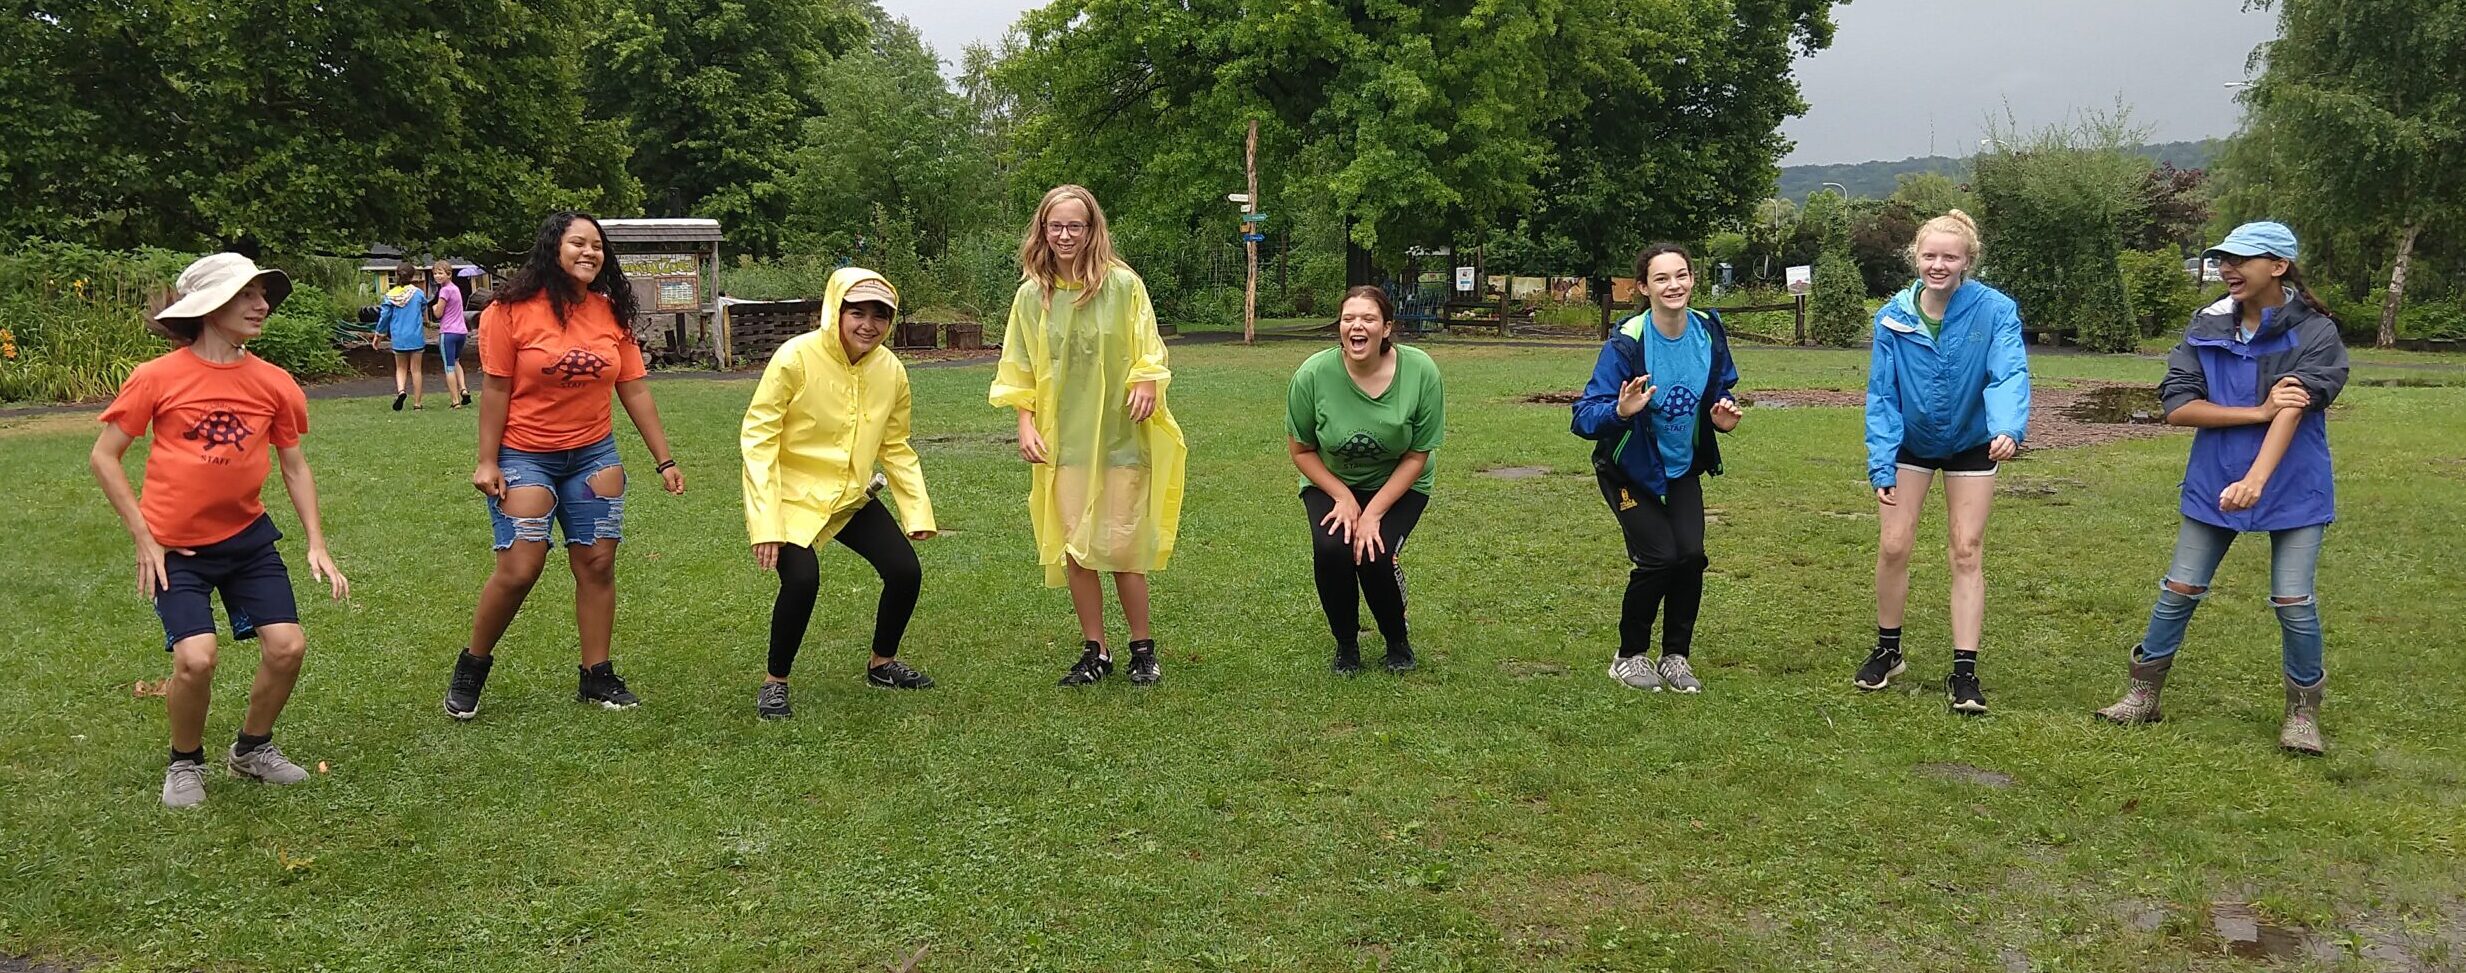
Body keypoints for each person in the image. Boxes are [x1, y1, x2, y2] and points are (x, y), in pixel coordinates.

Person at [88, 253, 350, 808]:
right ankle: (185, 762)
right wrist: (143, 535)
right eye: (246, 296)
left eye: (262, 296)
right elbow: (105, 457)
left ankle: (252, 749)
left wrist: (317, 543)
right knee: (196, 657)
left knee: (288, 648)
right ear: (208, 307)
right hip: (174, 549)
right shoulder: (157, 377)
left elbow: (294, 464)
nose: (261, 306)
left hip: (247, 541)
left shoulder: (274, 383)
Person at [2095, 222, 2347, 755]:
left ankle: (2303, 713)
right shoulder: (2205, 324)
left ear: (2278, 266)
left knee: (2293, 599)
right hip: (2213, 481)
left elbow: (2294, 408)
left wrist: (2256, 479)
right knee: (2178, 589)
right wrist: (2256, 410)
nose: (2228, 268)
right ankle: (2143, 694)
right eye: (2222, 258)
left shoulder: (2316, 332)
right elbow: (2179, 406)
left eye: (2242, 259)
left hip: (2293, 486)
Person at [442, 212, 686, 720]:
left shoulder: (610, 311)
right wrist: (487, 461)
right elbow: (496, 389)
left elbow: (634, 387)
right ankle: (473, 664)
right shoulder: (509, 313)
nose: (590, 253)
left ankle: (596, 676)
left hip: (593, 454)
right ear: (554, 248)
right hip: (525, 454)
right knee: (520, 567)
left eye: (598, 246)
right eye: (578, 243)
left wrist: (664, 460)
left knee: (597, 563)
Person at [989, 184, 1187, 687]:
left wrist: (1145, 379)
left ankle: (1142, 647)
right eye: (1056, 226)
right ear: (1042, 230)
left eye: (1075, 225)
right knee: (1075, 545)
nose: (1065, 235)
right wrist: (1025, 421)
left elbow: (1149, 345)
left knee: (1122, 545)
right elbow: (1019, 366)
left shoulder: (1122, 286)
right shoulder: (1032, 296)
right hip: (1065, 442)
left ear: (1092, 229)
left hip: (1121, 437)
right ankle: (1094, 649)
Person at [1854, 209, 2030, 715]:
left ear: (1967, 261)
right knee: (1893, 545)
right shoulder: (1892, 315)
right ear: (1916, 256)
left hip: (1974, 441)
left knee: (1966, 550)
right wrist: (1882, 462)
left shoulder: (1995, 309)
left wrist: (2006, 427)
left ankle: (1964, 673)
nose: (1938, 264)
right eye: (1929, 255)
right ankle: (1889, 651)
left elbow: (2008, 372)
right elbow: (1882, 395)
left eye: (1949, 257)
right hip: (1910, 442)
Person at [741, 267, 938, 720]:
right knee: (803, 578)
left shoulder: (891, 370)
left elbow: (895, 445)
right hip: (792, 497)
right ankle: (775, 683)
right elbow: (758, 439)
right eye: (857, 312)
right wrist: (766, 523)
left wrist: (917, 512)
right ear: (836, 310)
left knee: (904, 571)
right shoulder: (795, 357)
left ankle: (882, 664)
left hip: (850, 496)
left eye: (880, 316)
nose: (868, 324)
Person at [1571, 244, 1743, 693]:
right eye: (1662, 279)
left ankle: (1675, 657)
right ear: (1644, 287)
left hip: (1680, 468)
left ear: (1692, 280)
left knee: (1690, 557)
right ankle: (1628, 656)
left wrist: (1721, 415)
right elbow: (1584, 416)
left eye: (1681, 275)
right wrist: (1622, 411)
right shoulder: (1628, 341)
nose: (1674, 286)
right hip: (1628, 470)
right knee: (1659, 557)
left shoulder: (1708, 330)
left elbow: (1721, 388)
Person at [1286, 285, 1444, 675]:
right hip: (1331, 481)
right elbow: (1301, 450)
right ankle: (1346, 646)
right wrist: (1342, 496)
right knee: (1332, 549)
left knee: (1373, 552)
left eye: (1369, 318)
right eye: (1349, 318)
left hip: (1400, 480)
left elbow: (1416, 454)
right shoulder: (1312, 375)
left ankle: (1397, 641)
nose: (1357, 326)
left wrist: (1372, 514)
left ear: (1387, 327)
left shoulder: (1421, 370)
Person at [378, 261, 429, 411]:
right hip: (415, 336)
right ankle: (417, 404)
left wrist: (379, 333)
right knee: (416, 370)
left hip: (398, 336)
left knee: (400, 368)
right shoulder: (418, 293)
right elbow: (423, 308)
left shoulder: (390, 296)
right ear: (413, 276)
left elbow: (384, 316)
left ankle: (401, 391)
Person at [431, 258, 471, 409]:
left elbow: (439, 313)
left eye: (440, 273)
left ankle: (455, 401)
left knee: (449, 367)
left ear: (449, 274)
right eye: (435, 273)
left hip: (448, 332)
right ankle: (464, 389)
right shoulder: (455, 289)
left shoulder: (445, 290)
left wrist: (434, 307)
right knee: (456, 361)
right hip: (461, 332)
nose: (437, 276)